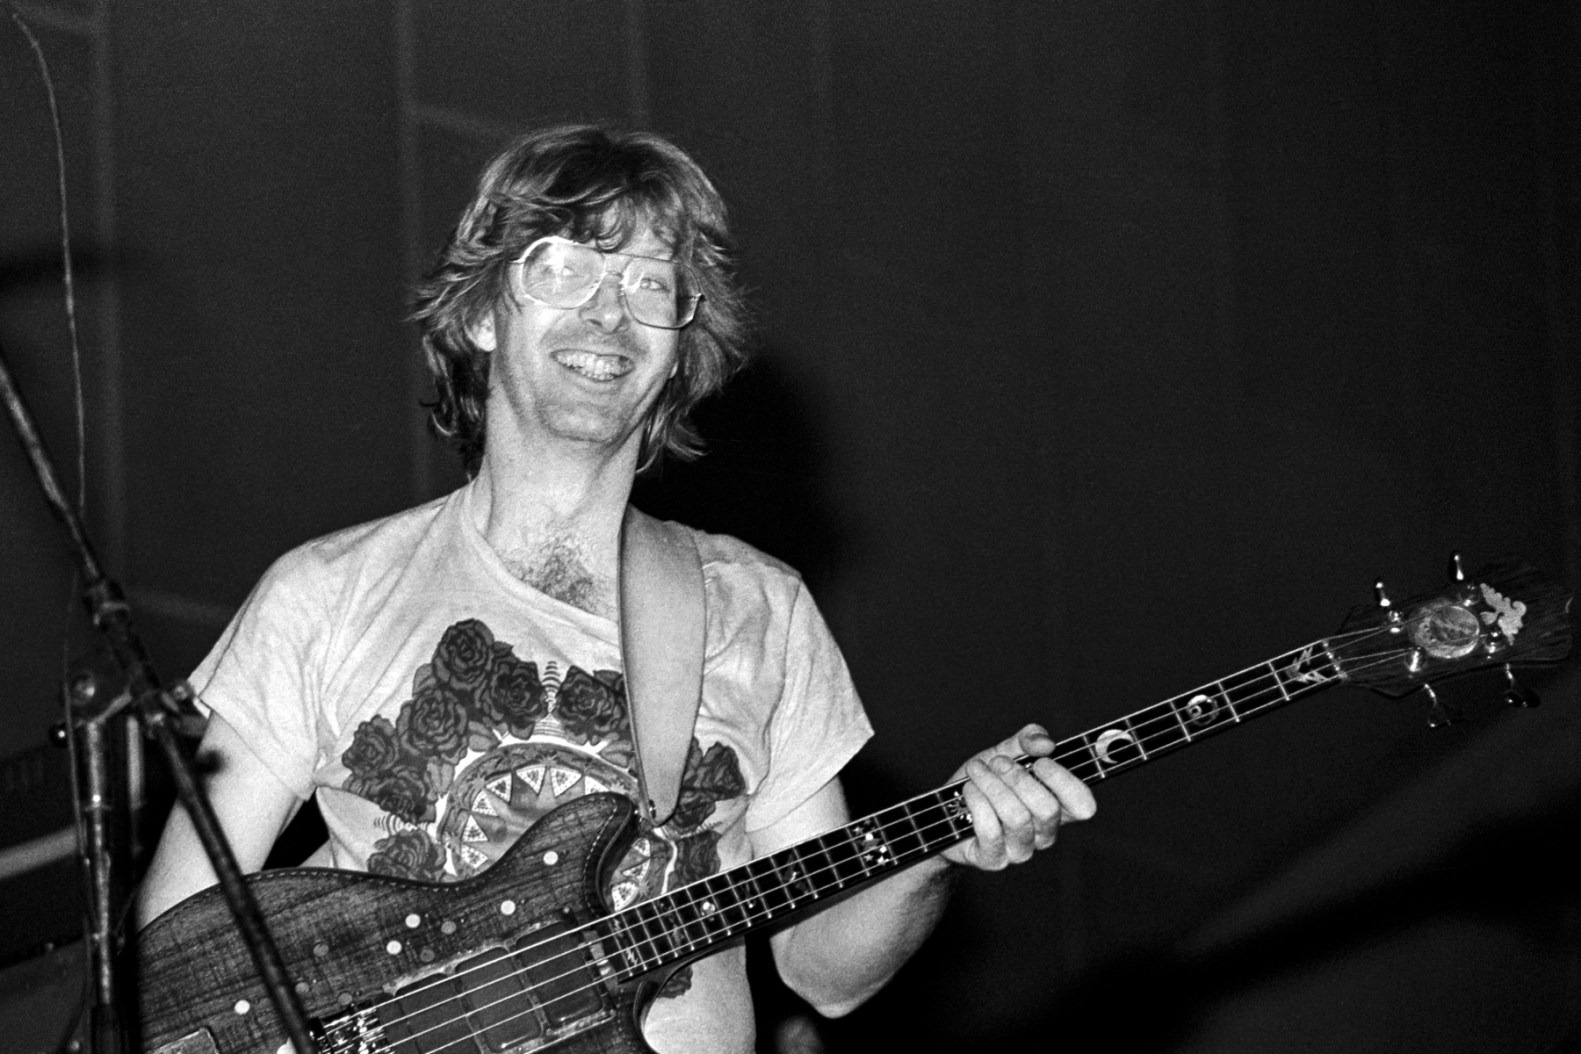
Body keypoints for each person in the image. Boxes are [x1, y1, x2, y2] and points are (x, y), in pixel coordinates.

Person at [135, 124, 1096, 1053]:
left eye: (649, 285)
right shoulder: (326, 593)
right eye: (563, 269)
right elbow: (177, 958)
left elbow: (824, 973)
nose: (608, 313)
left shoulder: (756, 607)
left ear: (677, 349)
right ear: (479, 313)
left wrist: (937, 851)